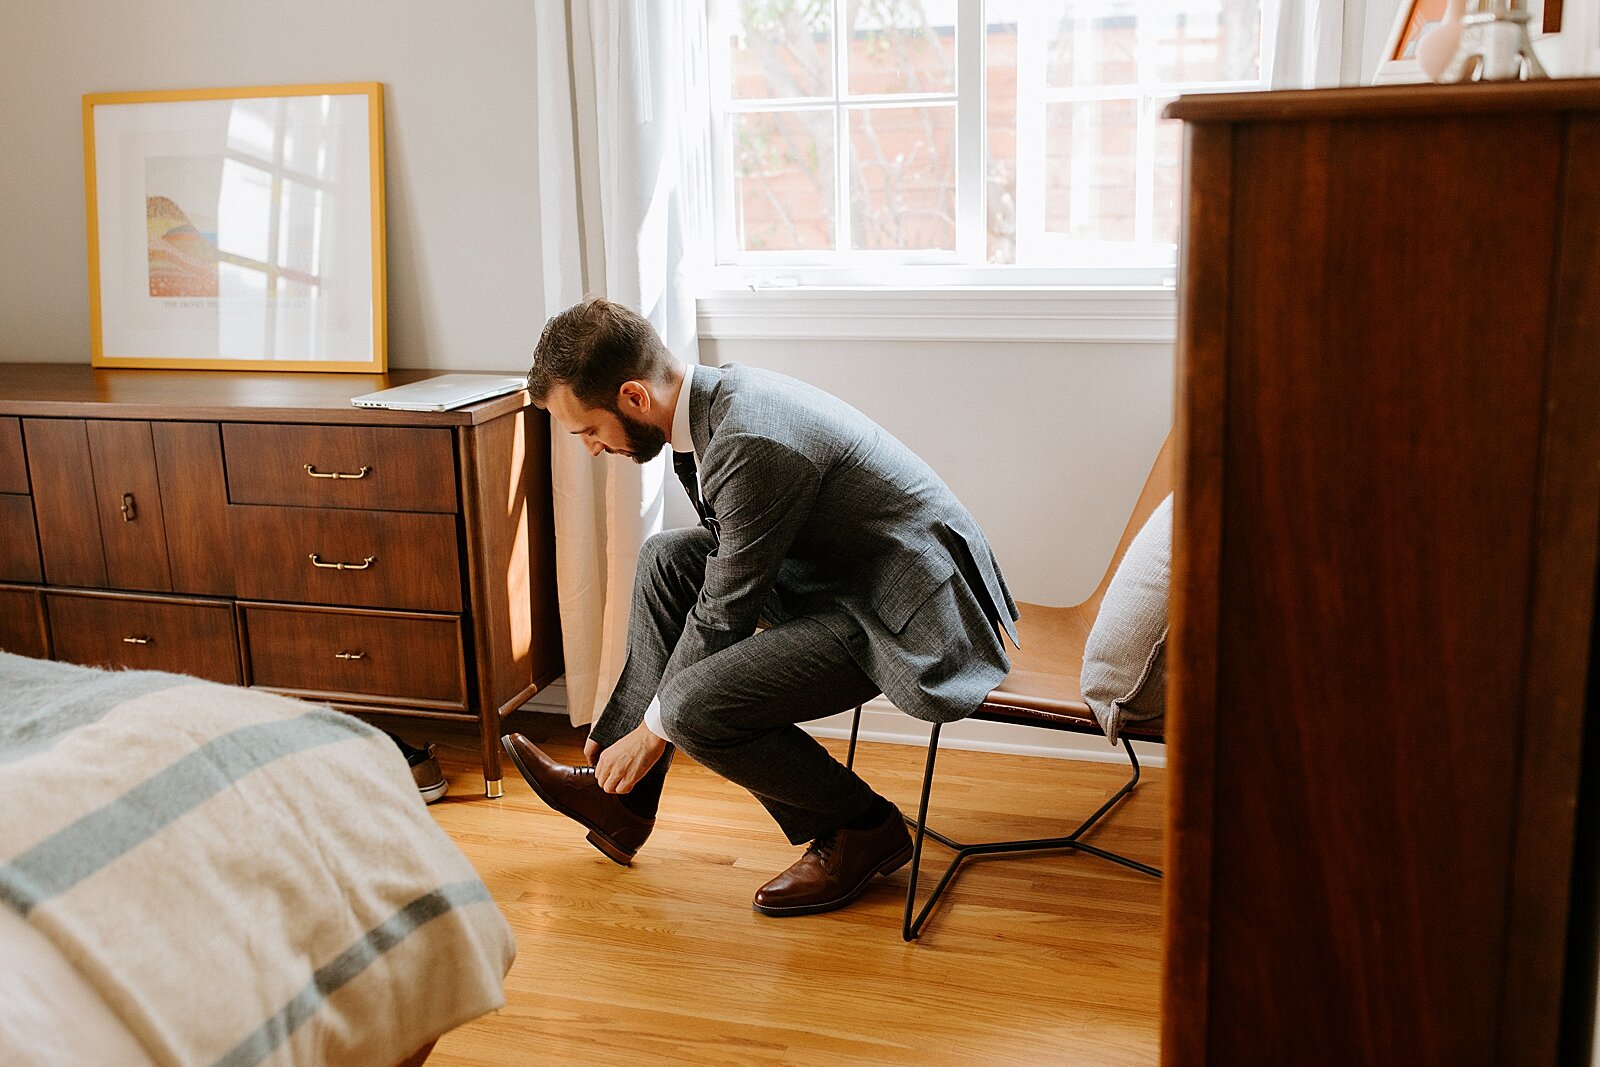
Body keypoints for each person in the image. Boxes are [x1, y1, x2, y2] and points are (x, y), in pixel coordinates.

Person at [501, 297, 1019, 918]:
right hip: (840, 576)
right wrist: (644, 731)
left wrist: (655, 730)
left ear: (634, 397)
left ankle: (861, 828)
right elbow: (726, 563)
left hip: (907, 614)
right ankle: (622, 799)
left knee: (691, 710)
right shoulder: (711, 406)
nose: (589, 448)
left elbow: (727, 611)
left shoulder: (751, 439)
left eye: (587, 429)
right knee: (668, 560)